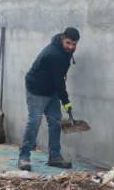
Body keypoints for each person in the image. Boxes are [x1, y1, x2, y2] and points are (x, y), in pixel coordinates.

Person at [18, 27, 80, 171]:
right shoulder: (54, 53)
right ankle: (24, 157)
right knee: (34, 121)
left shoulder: (65, 52)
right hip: (37, 89)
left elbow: (59, 78)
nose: (71, 47)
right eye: (68, 43)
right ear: (62, 38)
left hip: (51, 89)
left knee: (55, 122)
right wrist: (66, 101)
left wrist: (62, 98)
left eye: (74, 44)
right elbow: (59, 81)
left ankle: (55, 157)